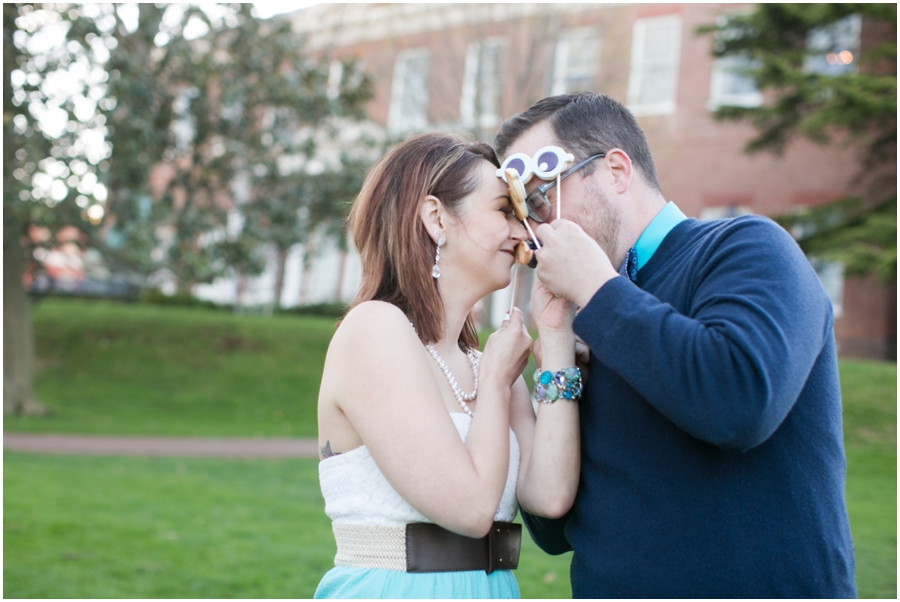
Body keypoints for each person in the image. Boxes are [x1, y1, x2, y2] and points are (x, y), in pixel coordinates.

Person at [493, 92, 856, 598]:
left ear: (616, 171)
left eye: (540, 195)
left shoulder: (747, 247)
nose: (532, 228)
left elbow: (740, 401)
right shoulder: (592, 311)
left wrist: (599, 293)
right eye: (520, 209)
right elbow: (554, 528)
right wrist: (555, 353)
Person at [314, 132, 582, 598]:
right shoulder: (373, 330)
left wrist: (555, 338)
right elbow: (472, 508)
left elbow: (550, 495)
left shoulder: (487, 363)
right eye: (504, 211)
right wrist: (498, 383)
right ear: (437, 218)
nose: (523, 233)